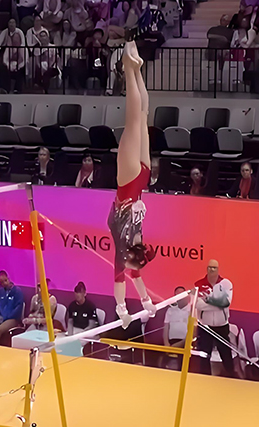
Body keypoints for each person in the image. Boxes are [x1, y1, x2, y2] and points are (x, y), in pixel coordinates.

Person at [109, 40, 157, 329]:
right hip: (129, 182)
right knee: (136, 118)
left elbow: (130, 274)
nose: (131, 269)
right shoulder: (126, 248)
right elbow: (126, 276)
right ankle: (130, 67)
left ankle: (136, 69)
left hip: (140, 180)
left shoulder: (131, 245)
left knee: (142, 116)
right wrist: (124, 308)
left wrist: (137, 305)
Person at [195, 259, 235, 377]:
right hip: (205, 325)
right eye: (210, 267)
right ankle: (204, 377)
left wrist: (208, 301)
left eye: (214, 267)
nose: (212, 270)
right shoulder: (199, 284)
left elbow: (226, 303)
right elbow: (198, 305)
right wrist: (217, 304)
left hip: (221, 325)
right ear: (206, 268)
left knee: (226, 353)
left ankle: (231, 376)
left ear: (218, 269)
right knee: (204, 354)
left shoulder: (226, 284)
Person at [161, 285, 190, 369]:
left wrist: (181, 343)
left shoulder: (192, 310)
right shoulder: (170, 310)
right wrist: (166, 344)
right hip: (171, 342)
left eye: (182, 294)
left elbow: (194, 331)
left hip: (185, 343)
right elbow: (166, 328)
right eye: (177, 295)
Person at [0, 270, 24, 345]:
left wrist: (6, 318)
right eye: (2, 282)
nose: (4, 283)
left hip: (13, 318)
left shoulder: (17, 291)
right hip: (2, 318)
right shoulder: (0, 292)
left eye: (5, 280)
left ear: (9, 278)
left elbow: (18, 308)